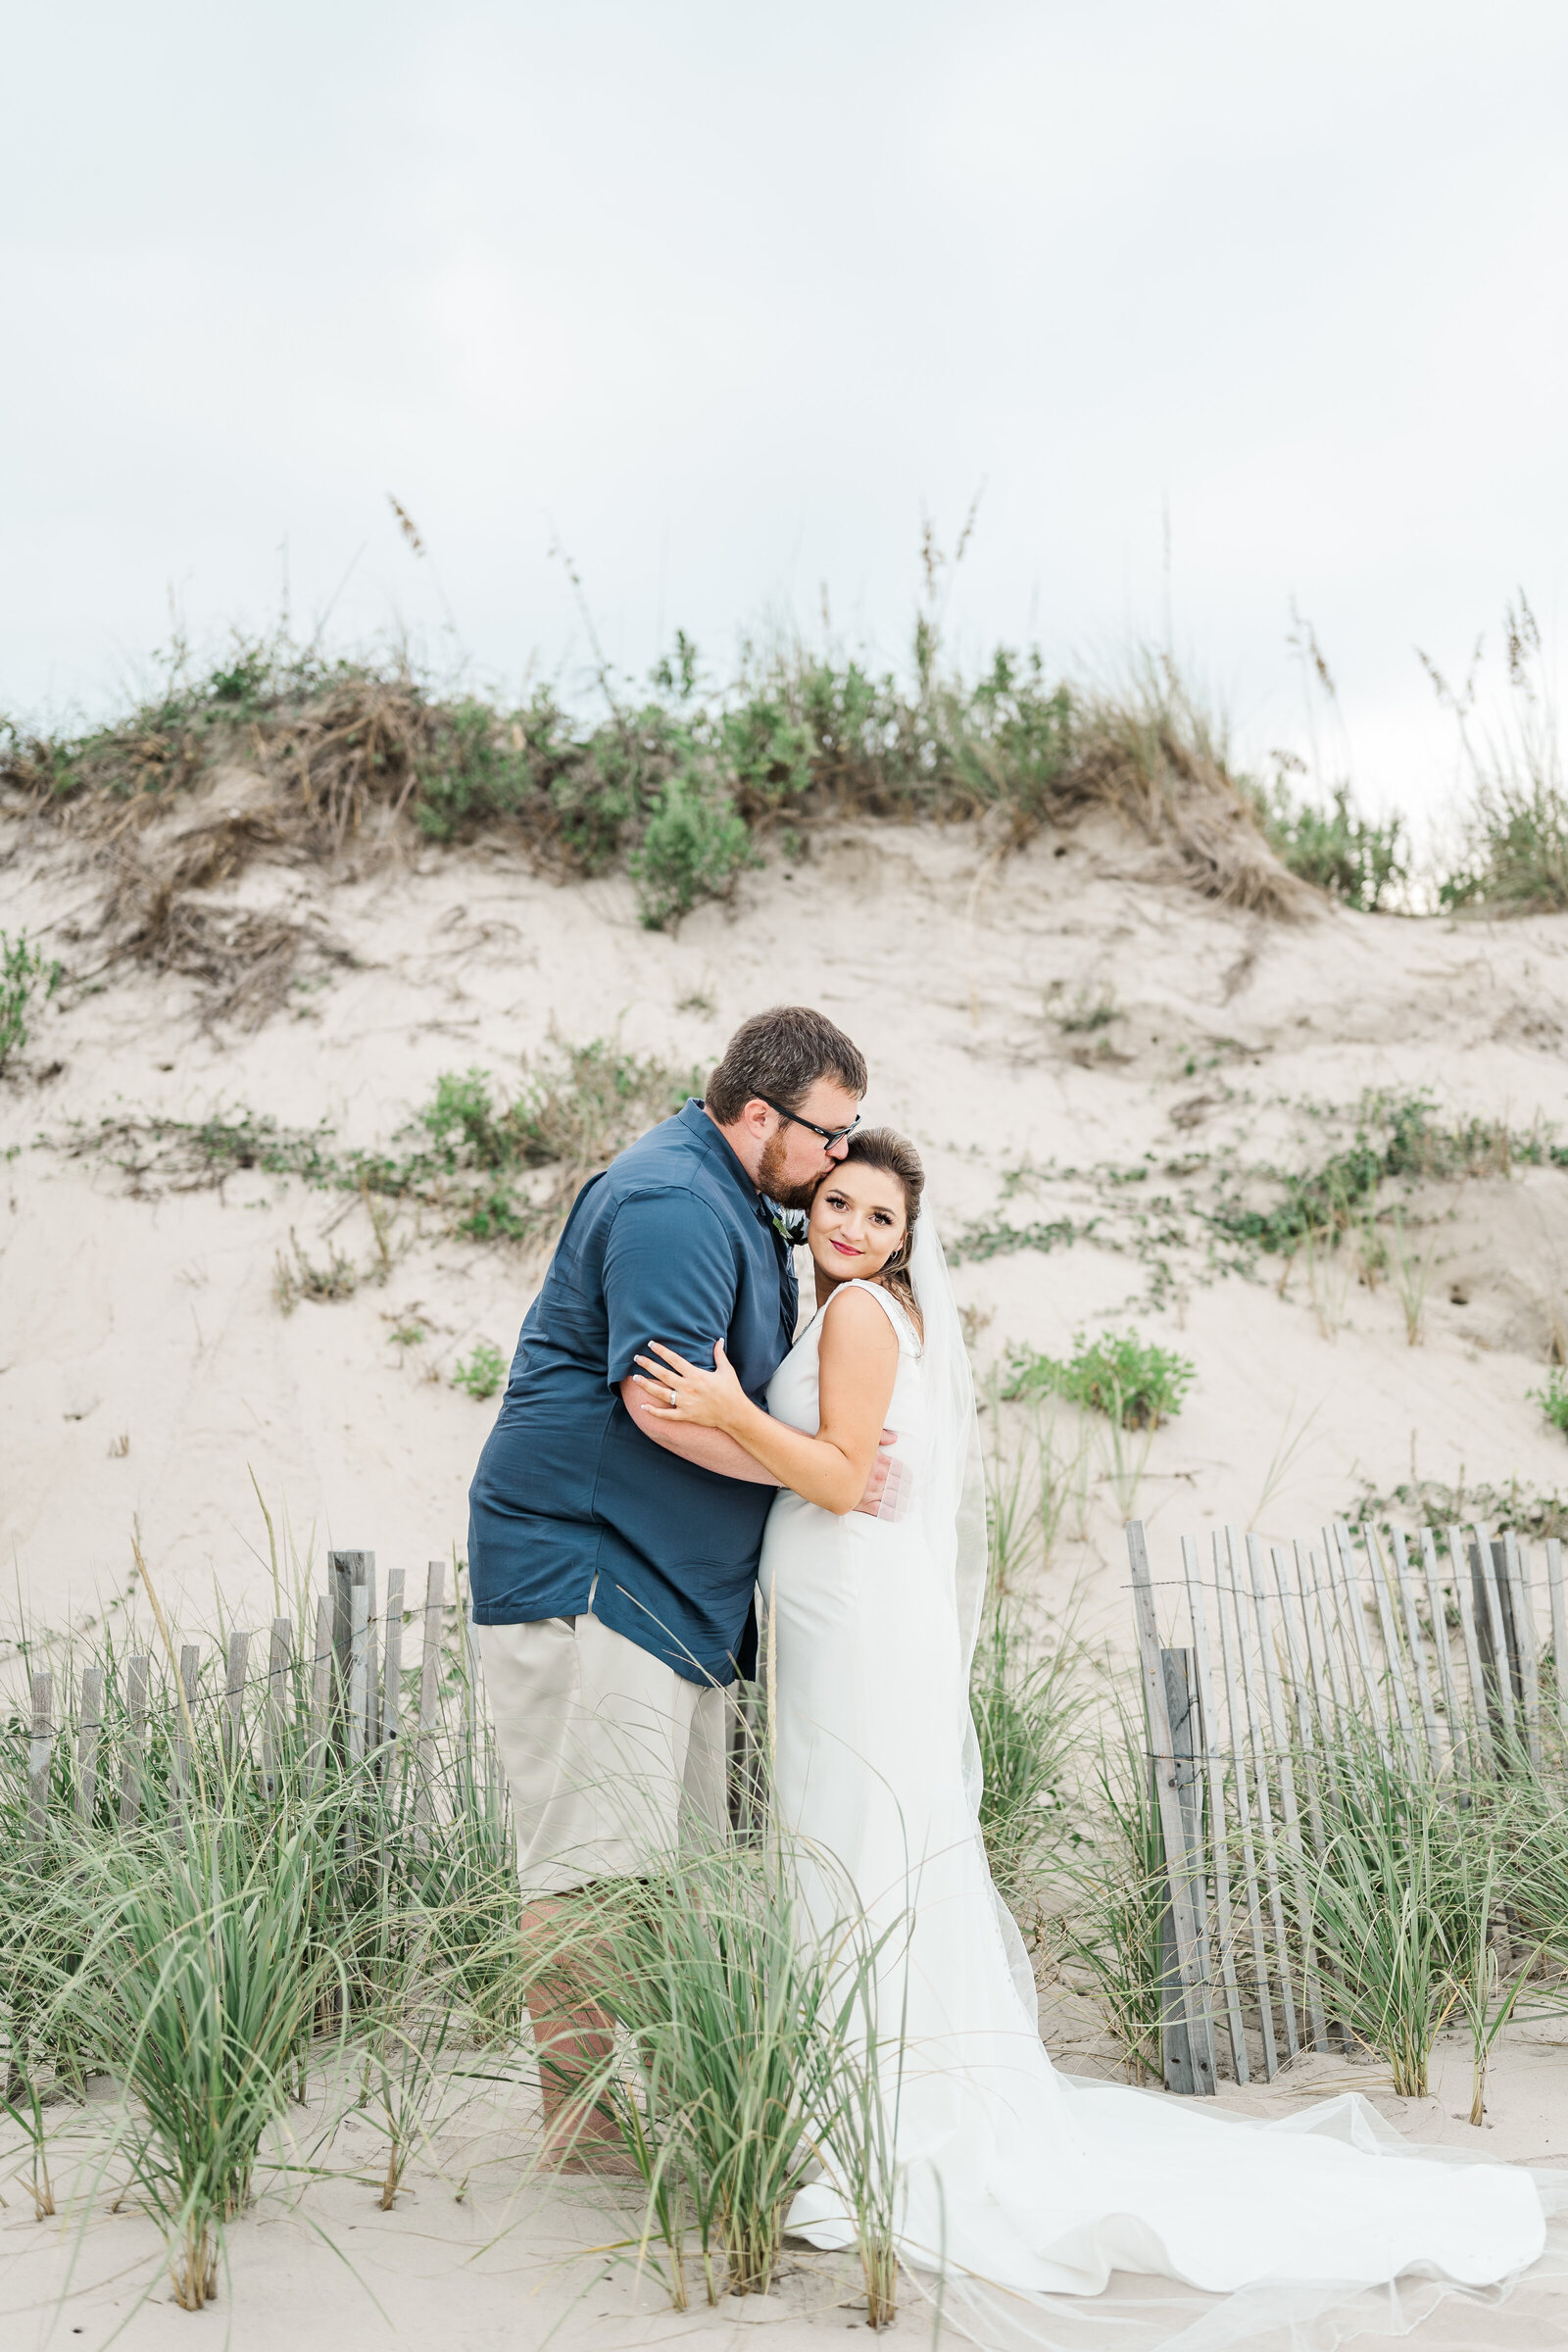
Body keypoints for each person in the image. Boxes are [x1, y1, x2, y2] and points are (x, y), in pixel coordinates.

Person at [635, 1128, 1550, 2340]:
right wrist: (735, 1422)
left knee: (856, 1844)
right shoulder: (857, 1312)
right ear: (815, 1213)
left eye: (880, 1218)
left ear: (909, 1243)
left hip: (855, 1618)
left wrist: (727, 1406)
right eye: (840, 1206)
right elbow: (831, 1467)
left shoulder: (860, 1319)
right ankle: (858, 2105)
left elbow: (846, 1475)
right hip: (850, 1615)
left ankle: (878, 2125)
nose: (852, 1229)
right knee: (864, 1845)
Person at [466, 1005, 904, 2170]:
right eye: (828, 1134)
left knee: (670, 1876)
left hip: (671, 1597)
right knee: (588, 1871)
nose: (838, 1157)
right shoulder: (672, 1203)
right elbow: (664, 1406)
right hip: (593, 1574)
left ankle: (670, 2115)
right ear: (759, 1115)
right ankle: (589, 2147)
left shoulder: (737, 1202)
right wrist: (822, 1480)